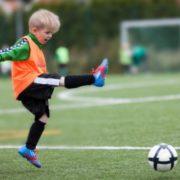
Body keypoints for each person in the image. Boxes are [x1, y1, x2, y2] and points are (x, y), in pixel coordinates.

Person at [0, 9, 108, 168]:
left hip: (29, 87)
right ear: (34, 30)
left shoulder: (37, 47)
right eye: (47, 32)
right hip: (28, 83)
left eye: (52, 33)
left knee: (43, 116)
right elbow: (8, 53)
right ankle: (94, 78)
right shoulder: (26, 43)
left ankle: (28, 148)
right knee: (59, 79)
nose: (50, 36)